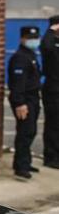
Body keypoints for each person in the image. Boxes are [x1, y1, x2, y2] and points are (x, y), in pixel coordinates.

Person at [8, 25, 42, 181]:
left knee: (31, 131)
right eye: (30, 38)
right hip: (24, 100)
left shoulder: (31, 55)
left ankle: (25, 162)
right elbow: (17, 83)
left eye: (35, 38)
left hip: (33, 98)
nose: (33, 41)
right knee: (25, 133)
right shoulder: (20, 57)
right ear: (22, 38)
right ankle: (20, 167)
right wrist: (20, 103)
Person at [41, 15, 59, 170]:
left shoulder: (56, 42)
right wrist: (51, 30)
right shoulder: (49, 41)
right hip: (52, 90)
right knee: (53, 124)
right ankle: (51, 157)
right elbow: (46, 46)